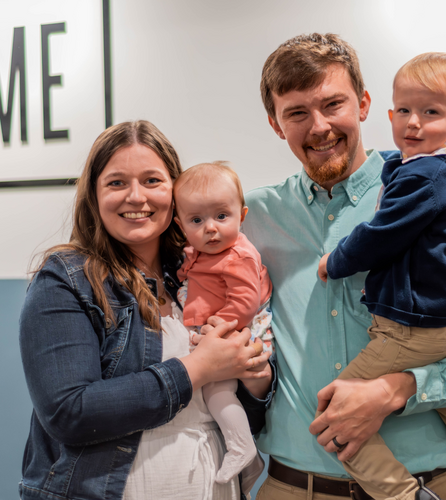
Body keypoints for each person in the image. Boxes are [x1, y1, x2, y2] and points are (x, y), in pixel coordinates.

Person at [242, 33, 446, 500]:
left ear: (362, 104)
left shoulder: (431, 194)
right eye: (297, 113)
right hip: (290, 488)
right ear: (276, 125)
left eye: (332, 104)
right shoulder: (250, 218)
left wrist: (403, 389)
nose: (319, 127)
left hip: (429, 485)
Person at [18, 121, 274, 500]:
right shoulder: (66, 280)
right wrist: (198, 367)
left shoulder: (195, 272)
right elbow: (69, 412)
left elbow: (241, 415)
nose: (136, 197)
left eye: (152, 180)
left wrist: (256, 378)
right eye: (117, 183)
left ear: (175, 193)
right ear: (94, 195)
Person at [316, 53, 446, 500]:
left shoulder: (423, 177)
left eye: (430, 111)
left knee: (334, 411)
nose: (413, 122)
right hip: (443, 325)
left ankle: (401, 494)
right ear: (389, 113)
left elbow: (381, 234)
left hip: (410, 330)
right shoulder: (443, 172)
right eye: (404, 110)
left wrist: (335, 261)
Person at [173, 162, 273, 494]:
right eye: (197, 221)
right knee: (210, 392)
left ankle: (242, 447)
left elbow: (245, 302)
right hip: (222, 332)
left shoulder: (238, 255)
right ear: (180, 225)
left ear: (241, 215)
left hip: (237, 331)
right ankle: (246, 455)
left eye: (221, 216)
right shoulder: (201, 253)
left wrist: (218, 330)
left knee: (217, 391)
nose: (211, 229)